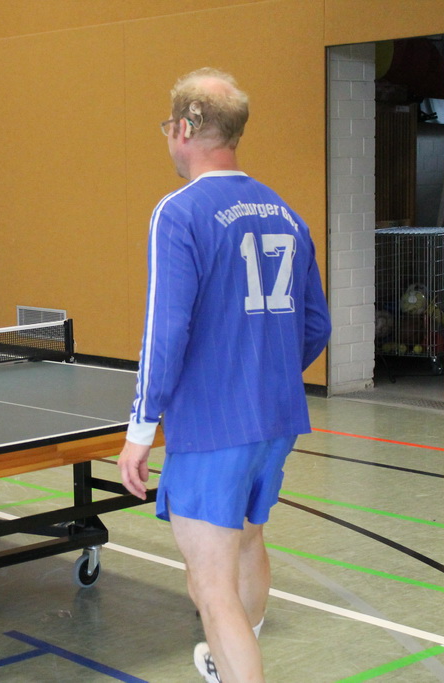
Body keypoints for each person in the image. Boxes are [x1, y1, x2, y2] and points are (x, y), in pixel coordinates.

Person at [117, 69, 331, 682]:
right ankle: (225, 662)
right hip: (276, 419)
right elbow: (315, 326)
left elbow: (165, 330)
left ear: (185, 129)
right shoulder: (286, 214)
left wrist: (139, 429)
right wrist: (264, 375)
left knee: (211, 588)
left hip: (212, 428)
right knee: (248, 541)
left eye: (168, 126)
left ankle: (235, 666)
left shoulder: (178, 212)